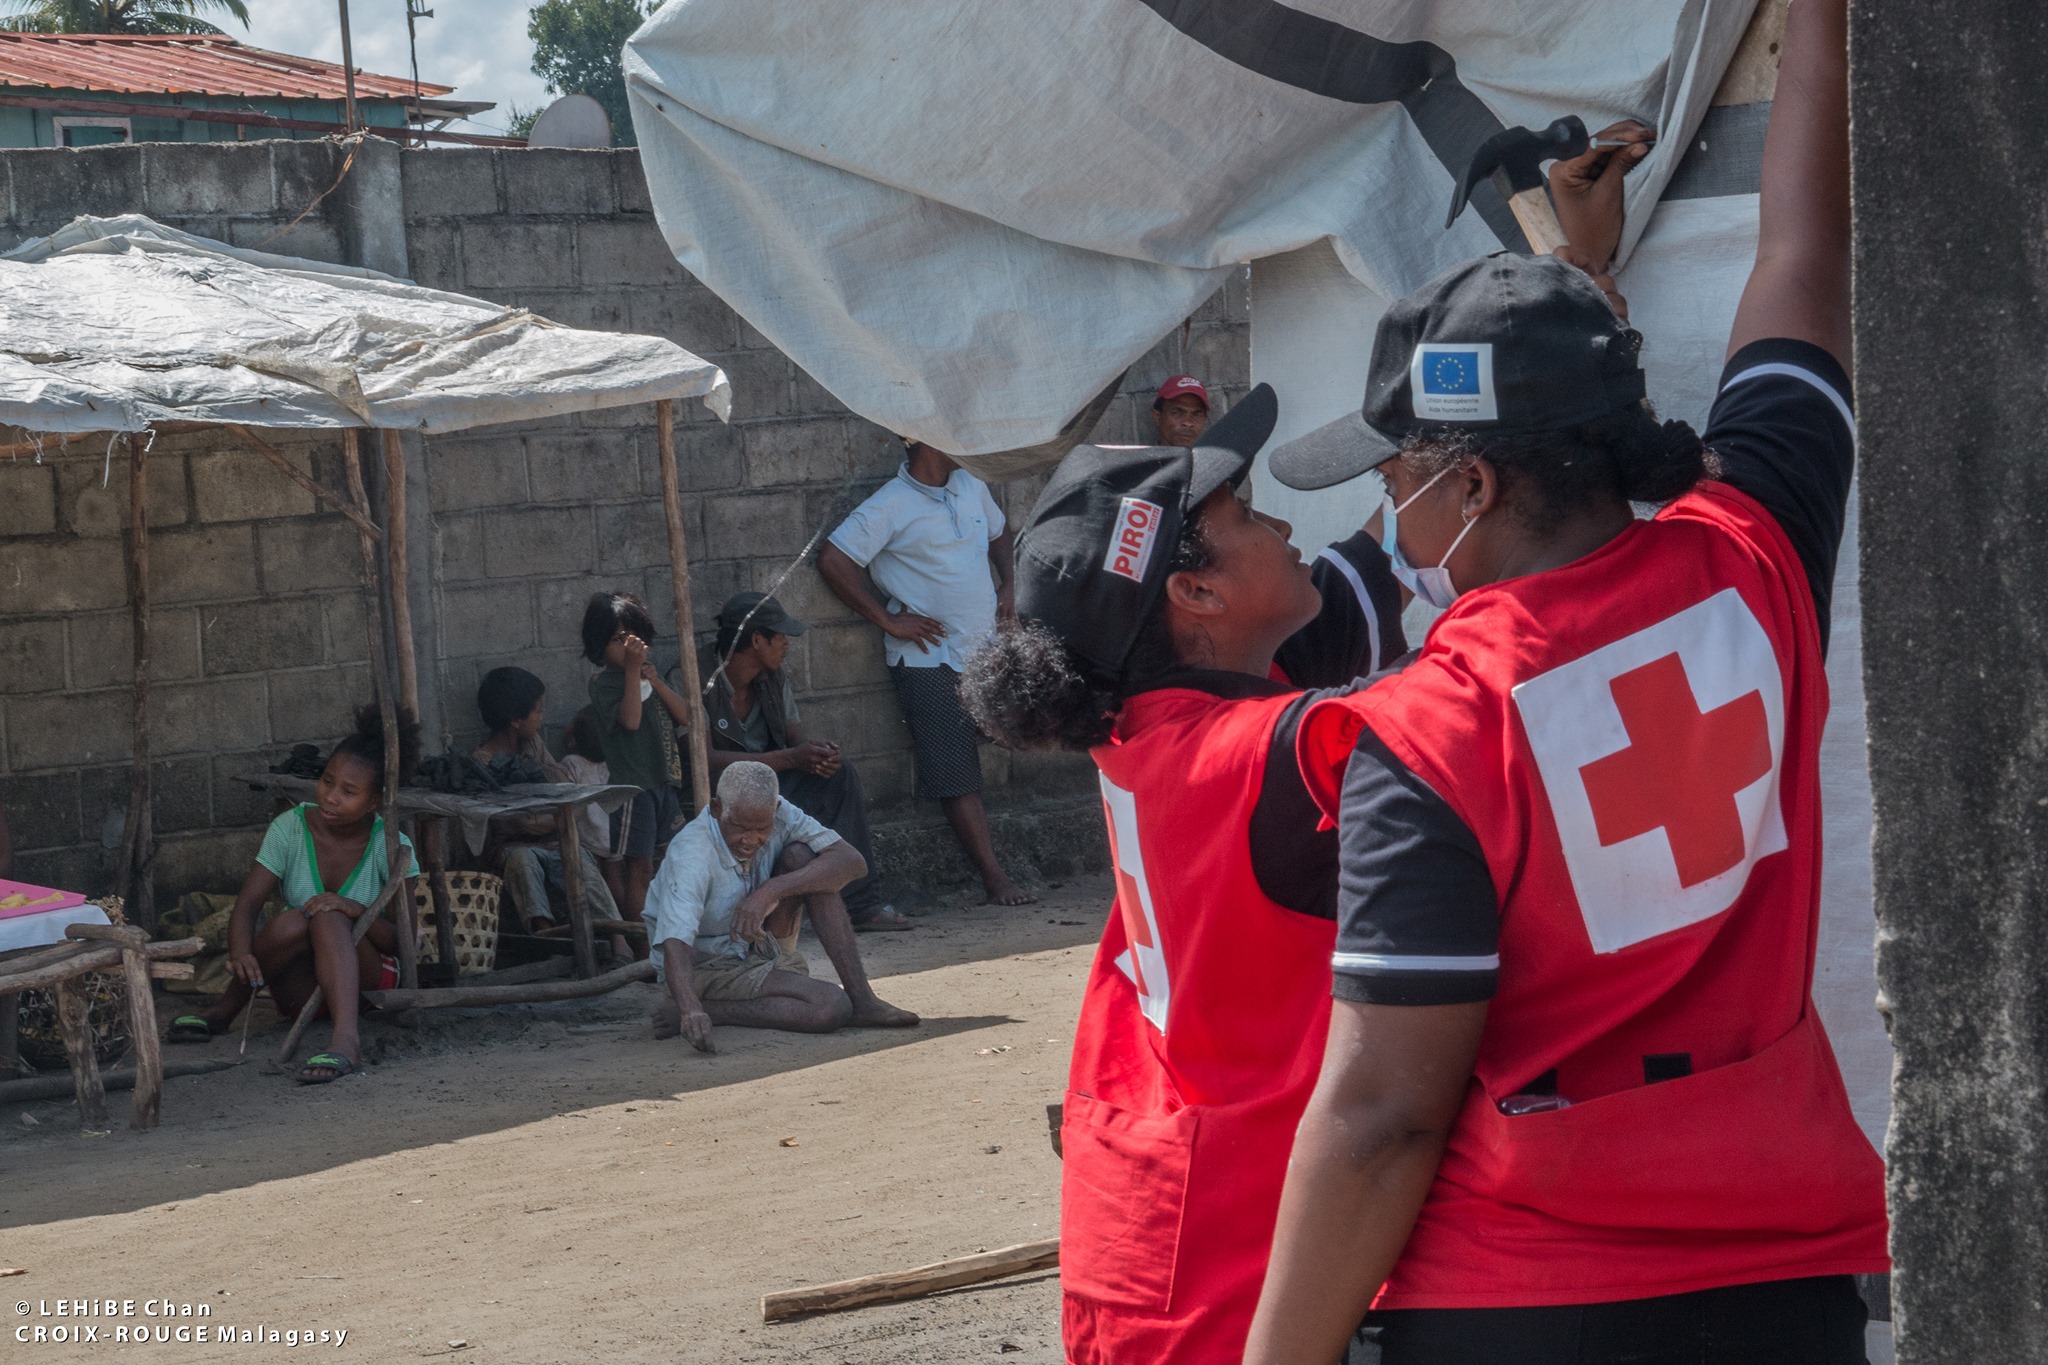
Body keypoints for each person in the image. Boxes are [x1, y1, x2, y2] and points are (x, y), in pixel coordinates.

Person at [1246, 4, 1885, 1359]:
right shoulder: (1755, 562)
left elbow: (1381, 1119)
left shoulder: (1427, 734)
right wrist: (1824, 22)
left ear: (1470, 486)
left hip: (1524, 1298)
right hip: (1787, 1290)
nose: (1386, 510)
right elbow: (1806, 266)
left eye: (1394, 473)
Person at [958, 382, 1410, 1363]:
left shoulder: (1161, 724)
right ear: (1196, 594)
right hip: (1228, 1287)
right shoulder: (1258, 756)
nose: (1284, 523)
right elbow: (1474, 689)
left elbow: (1400, 546)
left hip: (1160, 1241)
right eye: (1246, 515)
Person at [818, 437, 1035, 906]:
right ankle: (994, 878)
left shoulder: (970, 485)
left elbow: (999, 532)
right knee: (955, 772)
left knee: (1028, 725)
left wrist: (1010, 584)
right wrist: (888, 620)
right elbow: (834, 560)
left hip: (984, 650)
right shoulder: (890, 505)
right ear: (918, 440)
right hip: (928, 660)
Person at [169, 705, 422, 1085]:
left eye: (348, 791)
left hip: (369, 985)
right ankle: (224, 1010)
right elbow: (248, 903)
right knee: (294, 920)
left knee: (327, 914)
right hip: (299, 990)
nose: (331, 796)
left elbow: (401, 944)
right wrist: (240, 954)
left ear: (374, 801)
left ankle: (346, 1040)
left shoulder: (391, 846)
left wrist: (352, 909)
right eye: (327, 781)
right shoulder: (290, 827)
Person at [646, 761, 917, 1051]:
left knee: (807, 862)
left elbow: (852, 861)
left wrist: (770, 890)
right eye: (739, 828)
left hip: (754, 945)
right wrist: (690, 1009)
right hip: (709, 964)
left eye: (761, 829)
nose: (750, 840)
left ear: (774, 811)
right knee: (831, 1006)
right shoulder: (692, 852)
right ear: (716, 809)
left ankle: (862, 999)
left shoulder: (780, 812)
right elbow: (675, 941)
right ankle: (713, 1008)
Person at [702, 591, 908, 930]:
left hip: (773, 784)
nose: (787, 645)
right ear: (757, 640)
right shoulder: (695, 677)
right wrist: (789, 758)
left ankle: (862, 905)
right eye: (780, 637)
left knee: (839, 776)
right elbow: (704, 759)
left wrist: (816, 756)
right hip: (721, 794)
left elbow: (795, 738)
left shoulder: (772, 678)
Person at [472, 666, 620, 939]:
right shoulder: (482, 762)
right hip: (511, 848)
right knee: (523, 861)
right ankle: (545, 936)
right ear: (516, 720)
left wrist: (544, 815)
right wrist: (548, 818)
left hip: (554, 841)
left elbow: (563, 785)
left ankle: (618, 940)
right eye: (538, 711)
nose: (542, 717)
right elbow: (514, 821)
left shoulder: (533, 745)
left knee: (579, 858)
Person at [581, 591, 694, 937]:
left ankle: (672, 939)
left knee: (673, 864)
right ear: (599, 645)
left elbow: (686, 715)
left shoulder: (649, 676)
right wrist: (633, 672)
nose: (631, 646)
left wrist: (654, 679)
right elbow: (629, 721)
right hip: (634, 789)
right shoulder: (604, 683)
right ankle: (642, 951)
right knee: (639, 868)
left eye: (635, 637)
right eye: (619, 639)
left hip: (664, 783)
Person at [560, 707, 628, 915]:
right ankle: (624, 918)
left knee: (598, 880)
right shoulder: (612, 763)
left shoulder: (571, 764)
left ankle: (610, 920)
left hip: (589, 833)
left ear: (574, 740)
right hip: (613, 832)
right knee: (615, 880)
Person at [1151, 373, 1210, 448]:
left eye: (1197, 414)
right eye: (1177, 413)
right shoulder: (1143, 459)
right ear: (1157, 417)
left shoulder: (1218, 459)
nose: (1188, 423)